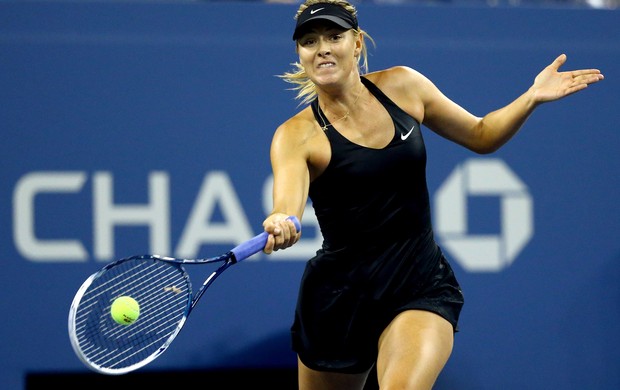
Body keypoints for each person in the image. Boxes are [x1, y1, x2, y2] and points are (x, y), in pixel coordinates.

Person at [260, 1, 604, 389]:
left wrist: (531, 97)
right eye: (309, 41)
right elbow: (286, 206)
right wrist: (281, 220)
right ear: (300, 55)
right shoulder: (295, 135)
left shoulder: (404, 86)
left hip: (418, 283)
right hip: (339, 300)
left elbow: (481, 134)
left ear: (356, 44)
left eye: (334, 37)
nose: (322, 48)